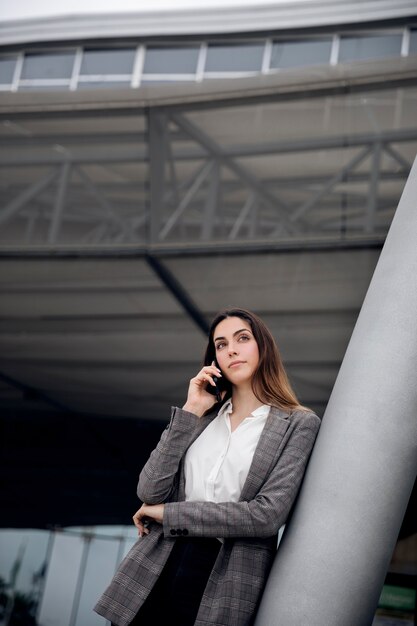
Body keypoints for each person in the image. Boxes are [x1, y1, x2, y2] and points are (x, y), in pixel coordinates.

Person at [94, 307, 321, 626]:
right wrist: (191, 410)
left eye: (242, 338)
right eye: (221, 344)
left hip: (224, 573)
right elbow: (150, 489)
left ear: (263, 348)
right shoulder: (203, 419)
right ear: (214, 359)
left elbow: (265, 516)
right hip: (156, 563)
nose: (232, 350)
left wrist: (168, 513)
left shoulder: (298, 424)